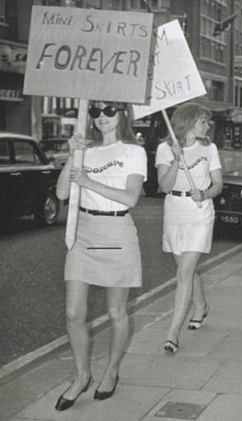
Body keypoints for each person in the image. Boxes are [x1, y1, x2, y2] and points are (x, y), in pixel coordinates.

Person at [55, 101, 147, 411]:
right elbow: (62, 194)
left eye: (110, 111)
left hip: (118, 233)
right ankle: (82, 376)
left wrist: (90, 182)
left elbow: (131, 197)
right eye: (96, 112)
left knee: (116, 312)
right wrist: (72, 156)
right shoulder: (86, 150)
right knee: (73, 313)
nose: (102, 117)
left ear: (123, 115)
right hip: (84, 231)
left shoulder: (133, 151)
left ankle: (111, 370)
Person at [156, 102, 223, 353]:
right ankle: (201, 304)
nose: (208, 125)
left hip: (200, 213)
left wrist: (205, 194)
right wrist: (175, 160)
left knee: (184, 273)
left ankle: (172, 332)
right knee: (187, 270)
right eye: (203, 121)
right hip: (174, 210)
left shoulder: (210, 149)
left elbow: (218, 184)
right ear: (189, 122)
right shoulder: (165, 149)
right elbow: (163, 185)